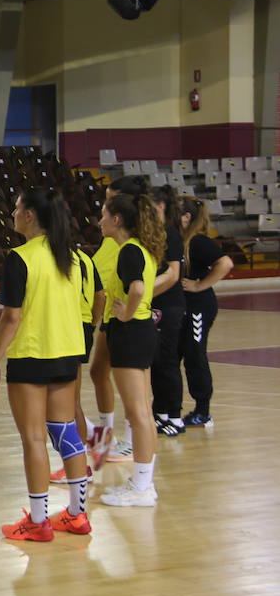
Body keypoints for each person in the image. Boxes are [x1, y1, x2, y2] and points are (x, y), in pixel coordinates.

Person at [0, 189, 92, 541]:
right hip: (68, 354)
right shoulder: (73, 258)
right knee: (65, 432)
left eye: (16, 208)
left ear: (30, 215)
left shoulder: (21, 257)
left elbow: (11, 317)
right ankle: (77, 514)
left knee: (33, 439)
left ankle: (38, 520)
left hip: (32, 355)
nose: (12, 213)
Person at [98, 191, 166, 508]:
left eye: (103, 215)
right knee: (143, 413)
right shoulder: (143, 249)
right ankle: (142, 483)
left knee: (137, 413)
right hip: (141, 332)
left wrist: (125, 313)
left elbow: (137, 288)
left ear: (117, 219)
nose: (99, 221)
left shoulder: (129, 251)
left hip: (130, 332)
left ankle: (141, 487)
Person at [87, 174, 148, 464]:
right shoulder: (113, 241)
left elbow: (141, 284)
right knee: (98, 372)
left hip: (130, 324)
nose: (102, 213)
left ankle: (129, 445)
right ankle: (106, 437)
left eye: (109, 203)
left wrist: (131, 310)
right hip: (112, 317)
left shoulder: (132, 246)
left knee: (136, 402)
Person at [49, 244, 106, 486]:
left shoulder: (56, 256)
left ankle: (79, 465)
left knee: (69, 402)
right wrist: (92, 322)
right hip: (82, 327)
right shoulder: (84, 257)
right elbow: (100, 296)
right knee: (71, 401)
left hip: (66, 328)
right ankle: (79, 462)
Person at [178, 196, 233, 427]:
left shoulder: (198, 242)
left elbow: (226, 263)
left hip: (199, 308)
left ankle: (203, 411)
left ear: (186, 217)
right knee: (172, 356)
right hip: (181, 308)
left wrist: (200, 284)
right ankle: (170, 409)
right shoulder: (175, 241)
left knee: (195, 354)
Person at [149, 186, 186, 436]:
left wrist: (142, 296)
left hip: (169, 306)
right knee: (156, 362)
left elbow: (173, 275)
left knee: (169, 362)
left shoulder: (170, 234)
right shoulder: (152, 233)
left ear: (161, 206)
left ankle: (175, 416)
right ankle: (160, 413)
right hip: (155, 306)